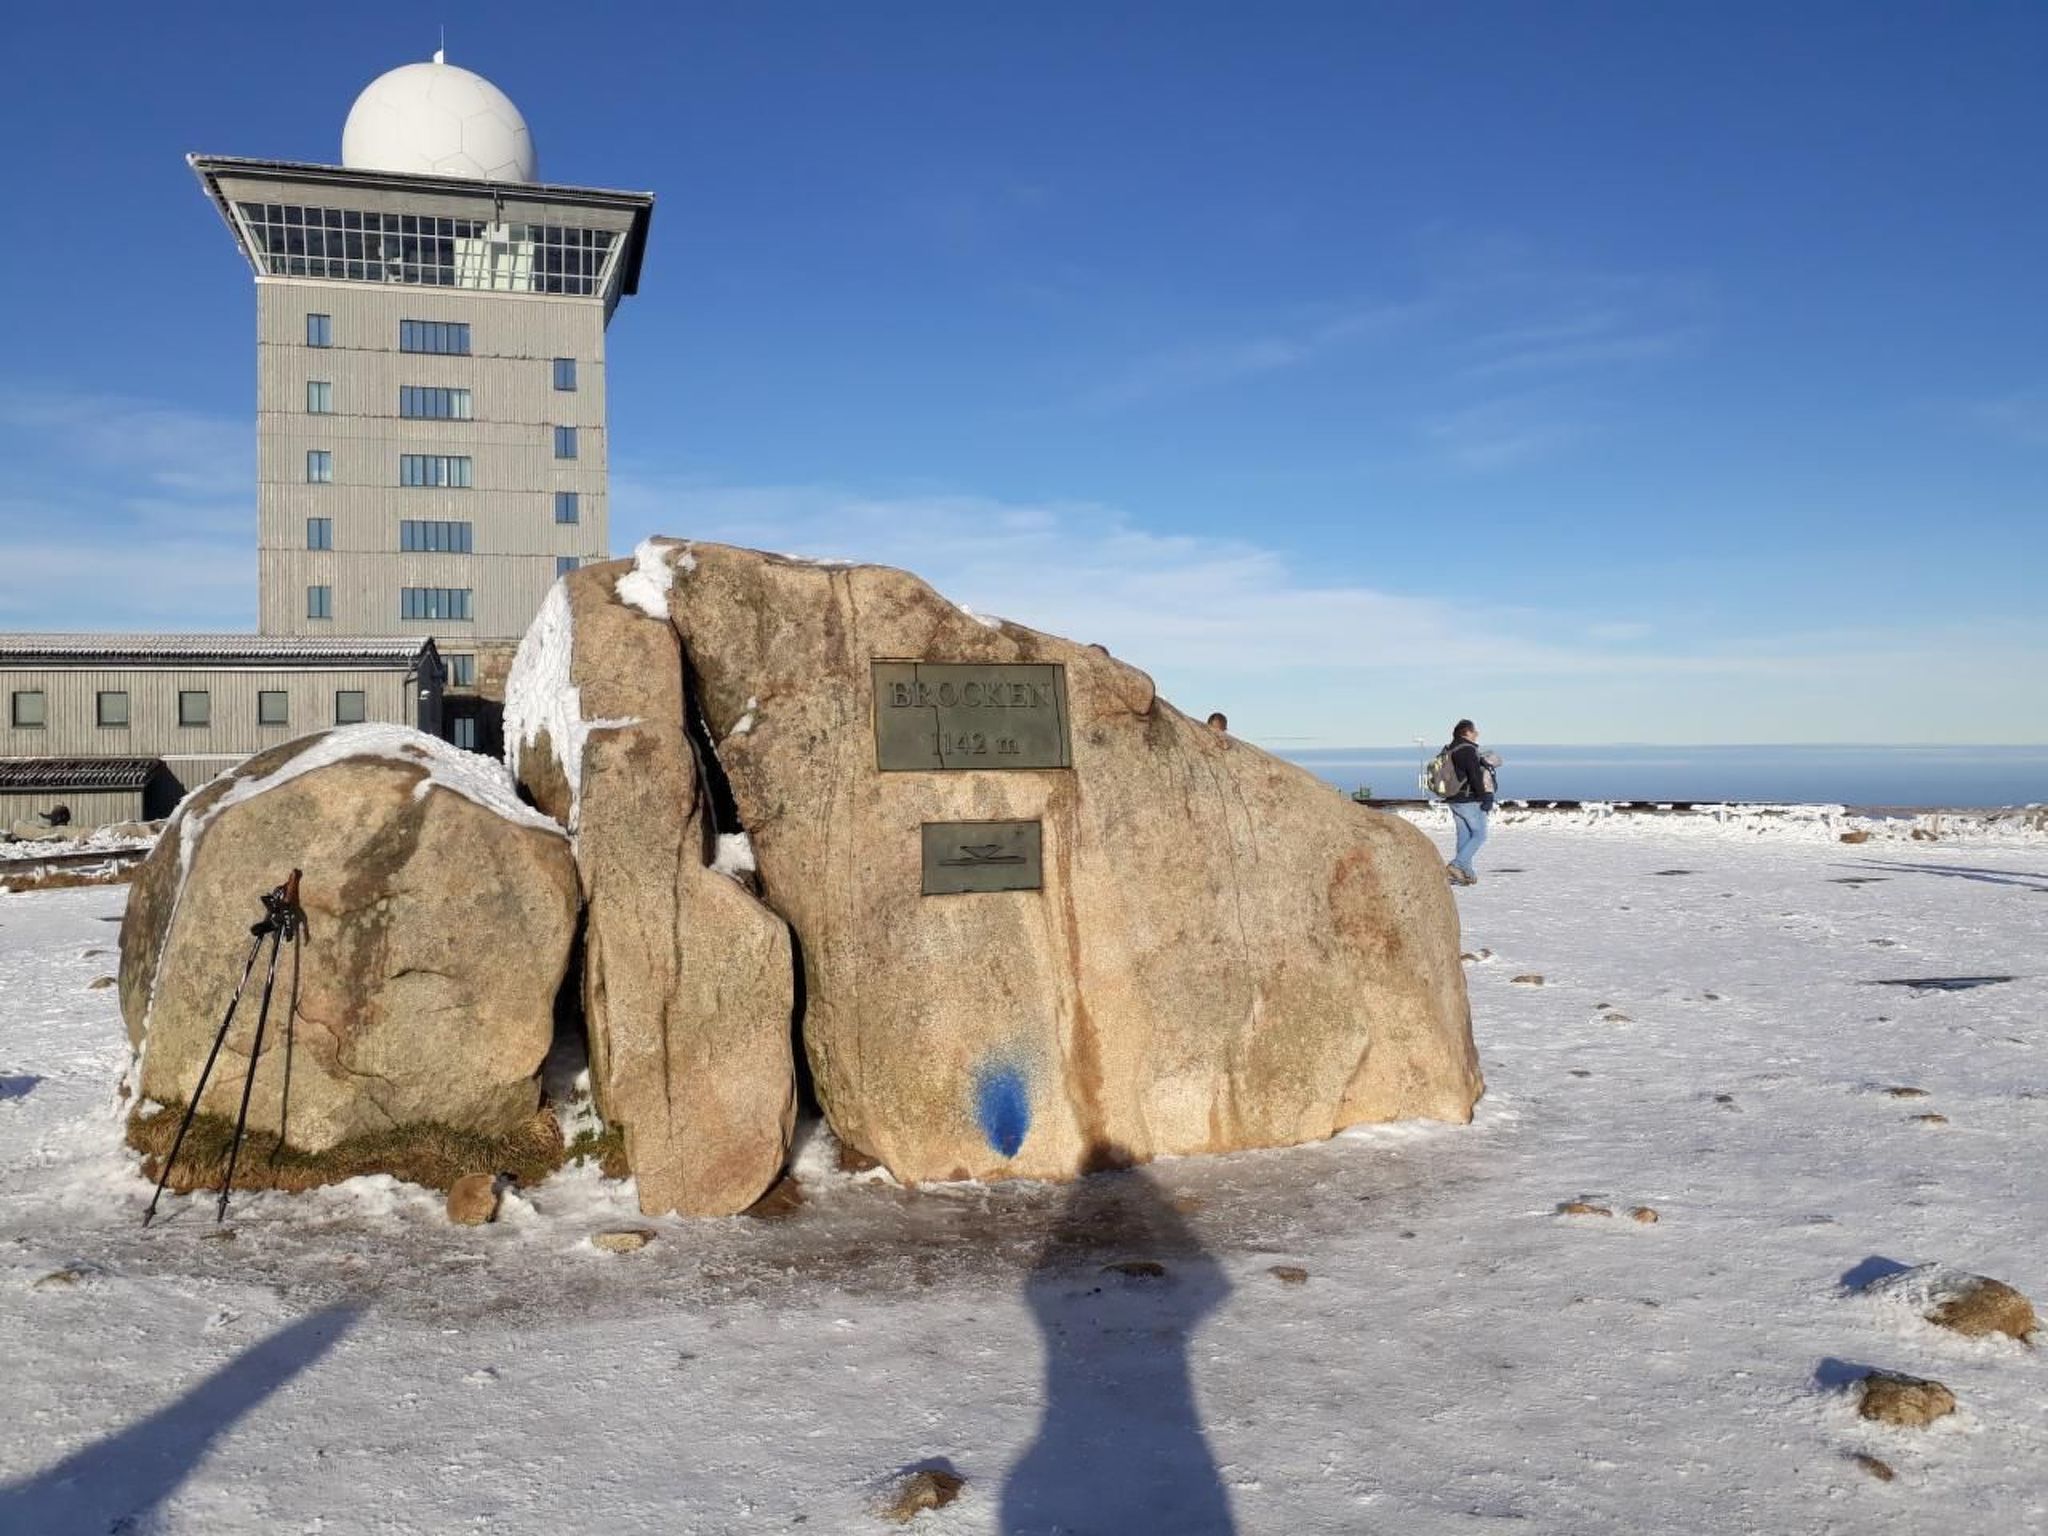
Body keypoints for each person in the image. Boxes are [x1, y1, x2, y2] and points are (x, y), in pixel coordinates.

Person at [1440, 720, 1497, 886]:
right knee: (1480, 835)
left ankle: (1465, 873)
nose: (1477, 734)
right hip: (1468, 799)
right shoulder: (1467, 749)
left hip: (1453, 799)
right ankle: (1456, 865)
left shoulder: (1450, 749)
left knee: (1464, 836)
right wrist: (1484, 796)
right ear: (1466, 733)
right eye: (1474, 731)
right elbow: (1474, 775)